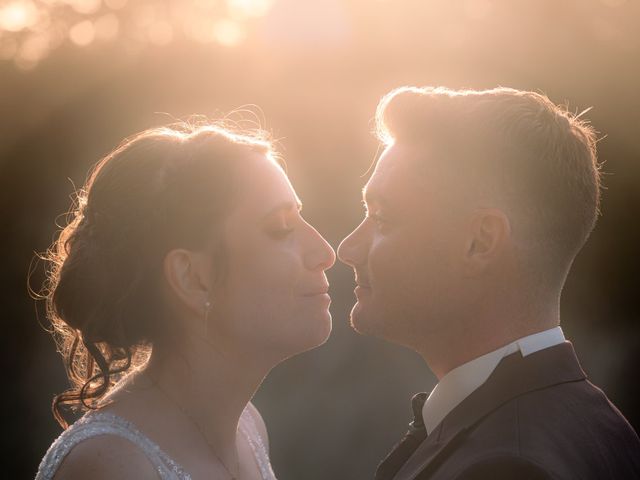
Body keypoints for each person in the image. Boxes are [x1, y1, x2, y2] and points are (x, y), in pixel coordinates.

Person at [338, 86, 640, 479]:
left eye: (382, 218)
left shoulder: (505, 466)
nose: (347, 248)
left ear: (479, 242)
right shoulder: (605, 429)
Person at [36, 122, 335, 480]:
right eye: (281, 228)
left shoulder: (248, 428)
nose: (325, 253)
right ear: (193, 278)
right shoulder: (112, 466)